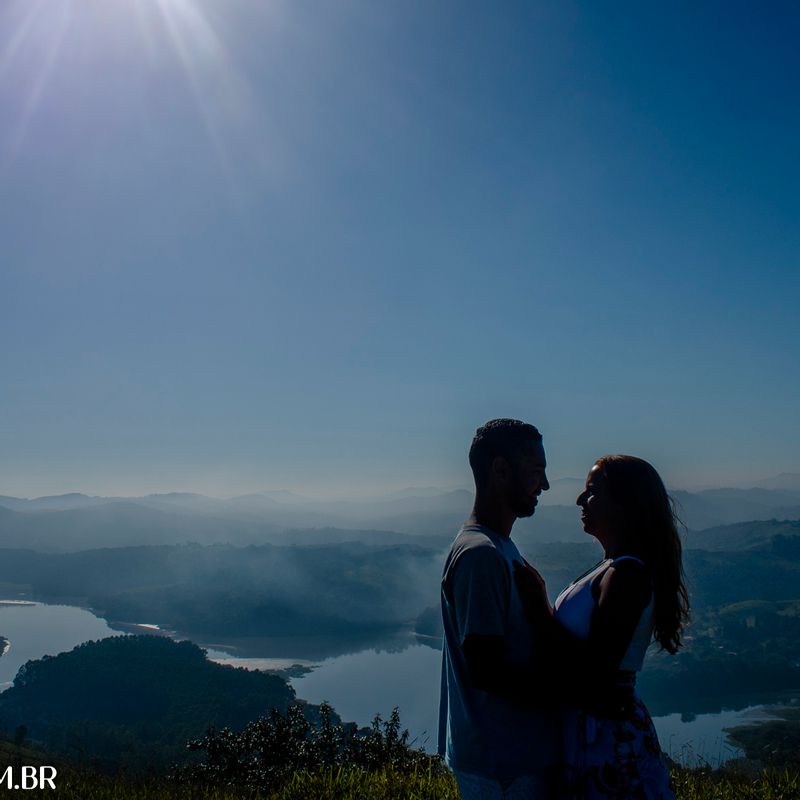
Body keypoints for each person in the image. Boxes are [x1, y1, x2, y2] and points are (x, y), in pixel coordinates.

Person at [515, 455, 689, 800]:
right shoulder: (614, 568)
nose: (580, 500)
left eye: (592, 492)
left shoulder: (627, 576)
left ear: (625, 505)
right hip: (595, 732)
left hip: (608, 738)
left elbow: (596, 672)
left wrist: (539, 611)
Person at [439, 419, 560, 799]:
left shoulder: (496, 547)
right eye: (536, 471)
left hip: (506, 762)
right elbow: (489, 671)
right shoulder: (482, 556)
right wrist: (573, 690)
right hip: (502, 768)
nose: (545, 485)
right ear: (501, 470)